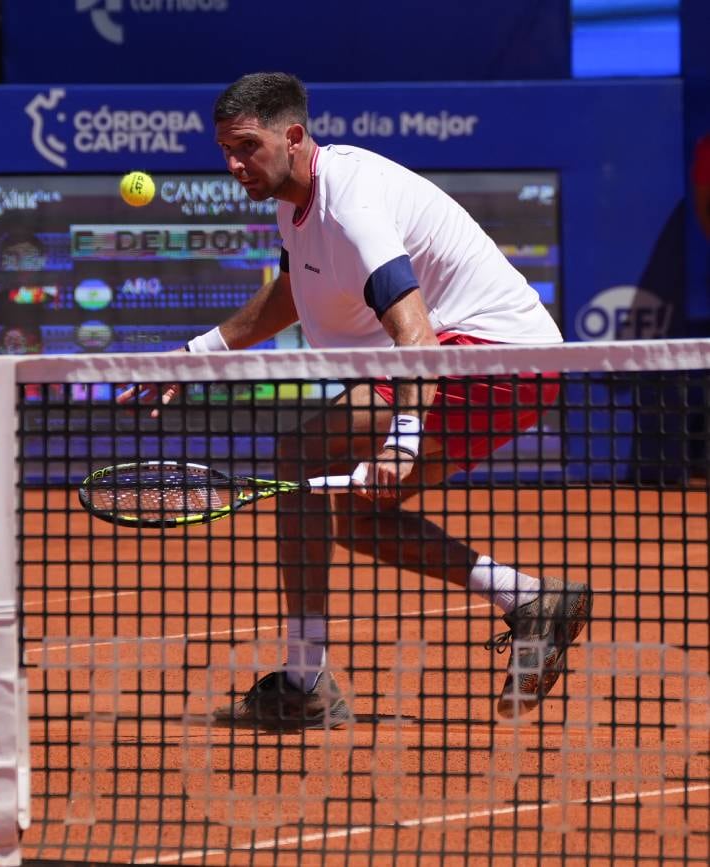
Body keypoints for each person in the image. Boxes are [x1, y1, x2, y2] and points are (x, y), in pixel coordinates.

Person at [119, 72, 591, 728]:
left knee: (299, 451)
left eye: (247, 147)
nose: (233, 164)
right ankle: (532, 597)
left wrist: (401, 436)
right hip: (506, 372)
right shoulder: (294, 203)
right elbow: (288, 294)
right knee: (361, 519)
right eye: (225, 149)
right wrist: (198, 353)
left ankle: (304, 678)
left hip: (490, 357)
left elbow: (414, 330)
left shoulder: (352, 204)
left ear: (292, 136)